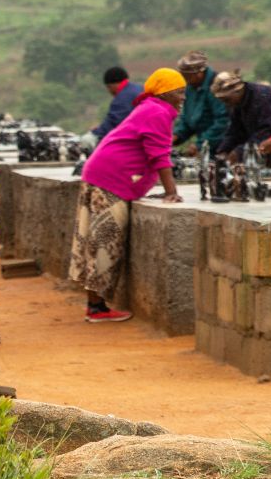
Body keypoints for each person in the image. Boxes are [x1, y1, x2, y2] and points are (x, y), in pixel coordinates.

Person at [72, 68, 186, 322]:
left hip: (102, 175)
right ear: (164, 93)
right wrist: (171, 191)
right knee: (105, 243)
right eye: (179, 92)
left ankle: (95, 305)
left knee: (97, 242)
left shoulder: (151, 108)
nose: (183, 97)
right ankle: (97, 308)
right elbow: (159, 155)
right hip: (109, 180)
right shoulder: (157, 112)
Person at [212, 70, 271, 156]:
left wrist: (238, 153)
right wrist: (223, 151)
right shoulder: (237, 103)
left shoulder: (263, 97)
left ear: (237, 91)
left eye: (227, 99)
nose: (226, 104)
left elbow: (268, 131)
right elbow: (235, 131)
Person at [170, 51, 229, 152]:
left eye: (187, 76)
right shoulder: (190, 87)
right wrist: (176, 136)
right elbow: (188, 119)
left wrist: (199, 145)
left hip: (221, 146)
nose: (184, 79)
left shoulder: (217, 86)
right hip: (204, 145)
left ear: (199, 73)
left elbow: (223, 122)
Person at [91, 65, 143, 140]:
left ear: (111, 85)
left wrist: (95, 134)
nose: (109, 91)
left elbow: (114, 121)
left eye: (108, 87)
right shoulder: (139, 88)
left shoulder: (122, 98)